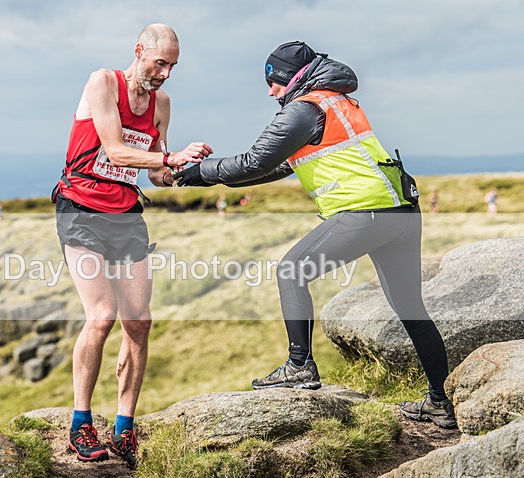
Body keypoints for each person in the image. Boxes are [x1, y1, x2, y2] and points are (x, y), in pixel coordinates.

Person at [174, 41, 456, 429]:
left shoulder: (304, 109)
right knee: (410, 308)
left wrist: (200, 172)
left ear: (293, 78)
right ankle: (441, 403)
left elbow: (255, 160)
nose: (270, 91)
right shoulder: (335, 102)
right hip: (402, 211)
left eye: (273, 82)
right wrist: (206, 178)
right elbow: (273, 167)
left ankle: (299, 365)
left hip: (365, 212)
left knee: (291, 271)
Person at [54, 23, 212, 467]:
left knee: (138, 323)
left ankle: (125, 428)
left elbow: (157, 173)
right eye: (160, 62)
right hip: (81, 209)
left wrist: (185, 165)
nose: (165, 73)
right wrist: (167, 157)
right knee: (101, 315)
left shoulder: (160, 103)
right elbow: (117, 150)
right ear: (139, 50)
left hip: (125, 217)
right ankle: (80, 423)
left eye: (172, 66)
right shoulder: (103, 82)